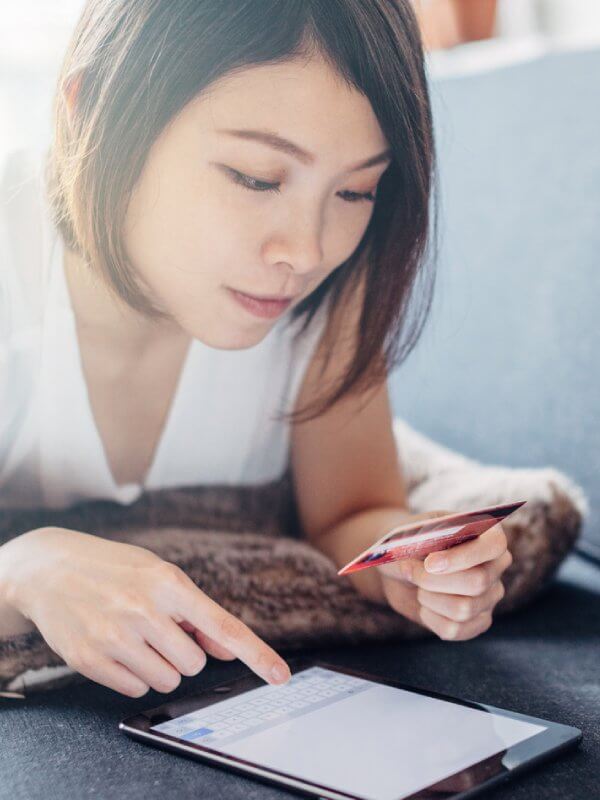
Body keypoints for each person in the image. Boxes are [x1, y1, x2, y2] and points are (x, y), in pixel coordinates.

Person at [0, 0, 512, 699]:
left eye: (356, 190)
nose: (306, 252)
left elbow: (351, 514)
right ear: (88, 111)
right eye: (256, 177)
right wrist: (26, 571)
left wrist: (419, 567)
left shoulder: (331, 290)